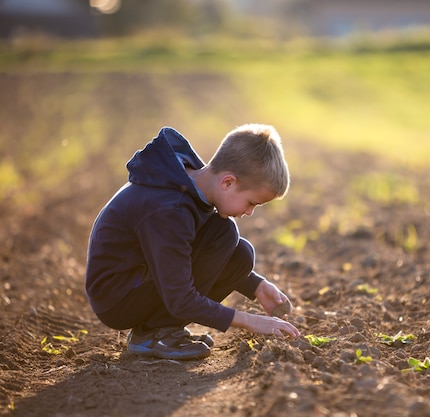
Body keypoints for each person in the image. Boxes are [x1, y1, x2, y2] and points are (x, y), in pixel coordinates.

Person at [85, 124, 300, 360]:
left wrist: (256, 286)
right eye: (251, 203)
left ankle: (162, 328)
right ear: (228, 182)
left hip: (144, 277)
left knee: (237, 250)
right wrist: (251, 321)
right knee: (225, 233)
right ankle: (152, 334)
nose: (249, 212)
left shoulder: (191, 186)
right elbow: (180, 296)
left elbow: (188, 254)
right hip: (118, 297)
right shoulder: (169, 209)